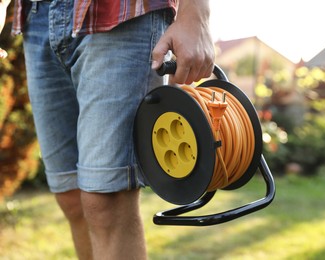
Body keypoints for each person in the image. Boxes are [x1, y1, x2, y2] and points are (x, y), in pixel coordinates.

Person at [0, 0, 214, 259]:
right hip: (37, 16)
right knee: (71, 196)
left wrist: (196, 13)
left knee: (107, 201)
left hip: (123, 11)